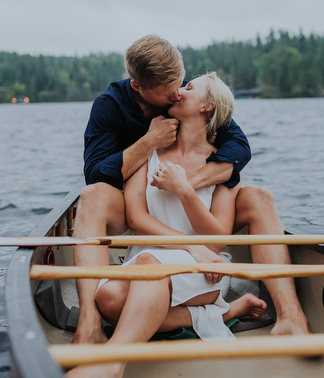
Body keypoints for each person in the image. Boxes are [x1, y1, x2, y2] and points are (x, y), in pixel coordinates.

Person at [72, 35, 310, 347]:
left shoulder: (207, 121)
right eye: (169, 90)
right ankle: (89, 323)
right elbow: (96, 175)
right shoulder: (113, 108)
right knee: (92, 199)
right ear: (138, 87)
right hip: (138, 219)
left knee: (260, 196)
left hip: (194, 235)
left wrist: (186, 186)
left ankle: (291, 314)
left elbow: (239, 148)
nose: (177, 93)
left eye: (183, 83)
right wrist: (148, 143)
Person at [93, 73, 267, 362]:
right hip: (156, 255)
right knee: (108, 299)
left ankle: (112, 362)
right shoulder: (149, 153)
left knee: (151, 266)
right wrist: (190, 245)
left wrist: (185, 191)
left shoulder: (223, 164)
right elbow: (136, 217)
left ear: (207, 106)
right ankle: (225, 313)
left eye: (188, 87)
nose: (178, 91)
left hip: (202, 270)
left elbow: (217, 239)